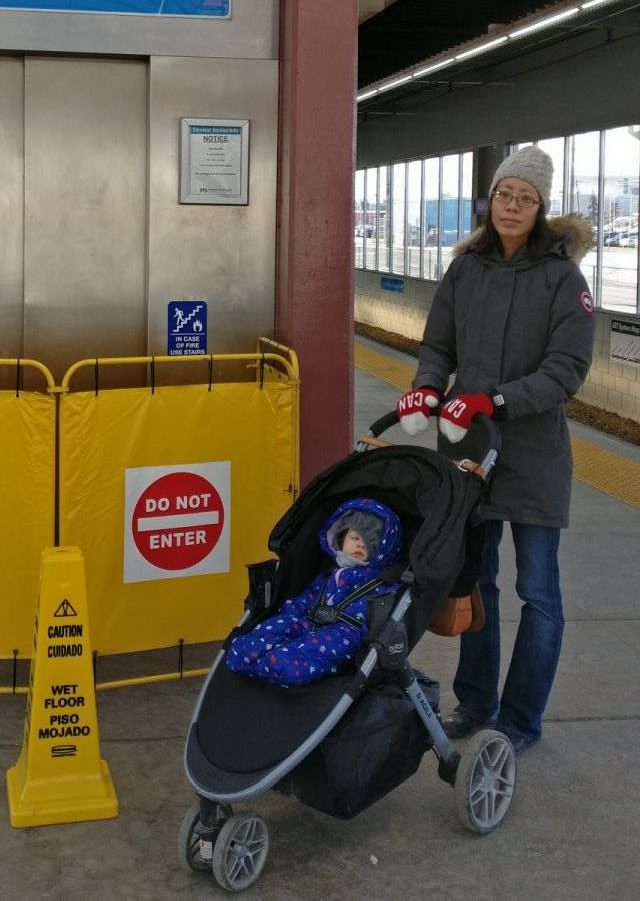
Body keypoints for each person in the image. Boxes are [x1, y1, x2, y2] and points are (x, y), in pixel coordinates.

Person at [395, 145, 595, 754]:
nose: (513, 206)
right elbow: (438, 345)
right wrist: (428, 387)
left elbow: (567, 369)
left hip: (532, 456)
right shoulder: (465, 269)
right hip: (468, 453)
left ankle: (519, 721)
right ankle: (476, 703)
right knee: (474, 583)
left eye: (526, 198)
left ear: (541, 208)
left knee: (538, 590)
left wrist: (496, 400)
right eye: (506, 194)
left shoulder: (564, 279)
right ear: (491, 200)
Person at [226, 497, 403, 686]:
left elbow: (375, 611)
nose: (361, 545)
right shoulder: (328, 574)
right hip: (311, 621)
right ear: (341, 539)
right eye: (355, 538)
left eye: (371, 543)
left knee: (321, 646)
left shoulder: (379, 581)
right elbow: (306, 599)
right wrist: (290, 614)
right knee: (281, 623)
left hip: (346, 632)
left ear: (382, 550)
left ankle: (286, 663)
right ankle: (253, 652)